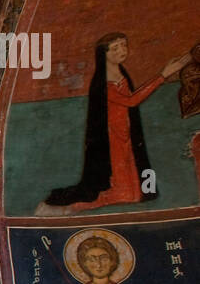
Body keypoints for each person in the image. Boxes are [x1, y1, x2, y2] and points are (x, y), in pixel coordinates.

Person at [42, 33, 189, 213]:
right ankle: (72, 208)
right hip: (112, 138)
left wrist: (185, 59)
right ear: (104, 54)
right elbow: (131, 101)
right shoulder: (102, 82)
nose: (122, 50)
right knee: (123, 195)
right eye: (116, 48)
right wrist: (162, 75)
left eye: (124, 45)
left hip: (127, 134)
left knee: (136, 195)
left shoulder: (121, 72)